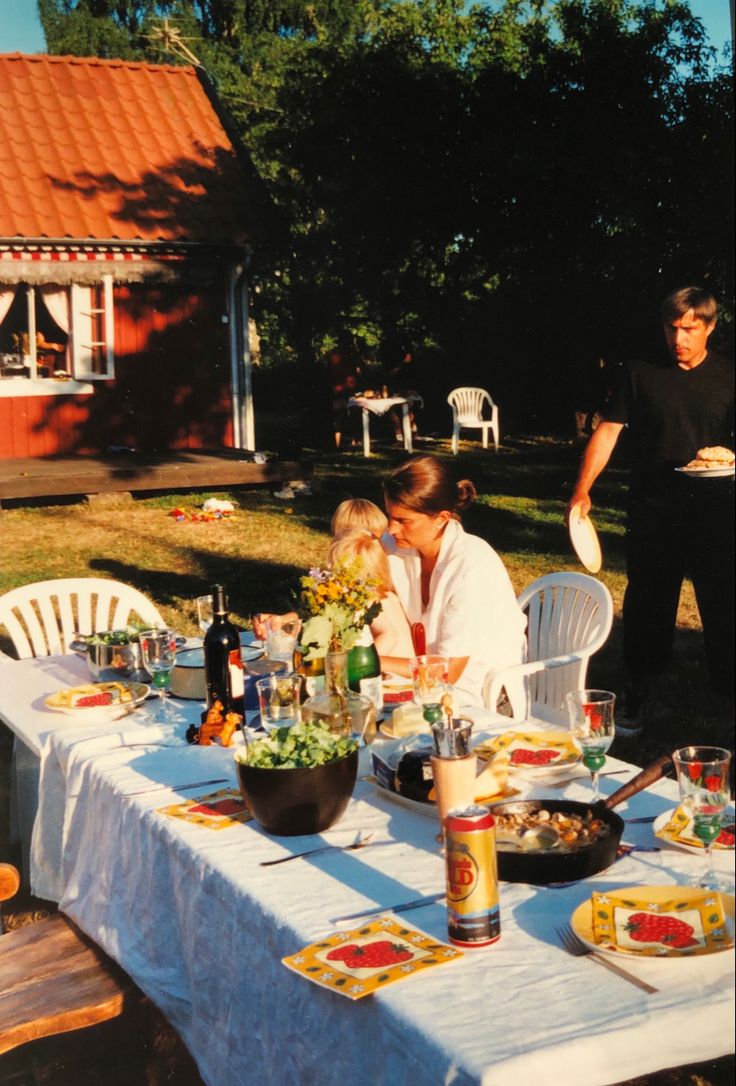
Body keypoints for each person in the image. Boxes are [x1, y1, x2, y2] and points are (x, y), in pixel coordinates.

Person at [567, 286, 735, 736]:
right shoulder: (640, 373)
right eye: (671, 328)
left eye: (689, 329)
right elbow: (607, 432)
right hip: (655, 512)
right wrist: (582, 490)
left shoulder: (728, 376)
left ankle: (727, 692)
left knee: (724, 606)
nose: (678, 338)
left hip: (718, 513)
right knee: (647, 607)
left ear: (710, 327)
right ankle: (636, 694)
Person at [380, 454, 526, 707]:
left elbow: (449, 672)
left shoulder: (471, 565)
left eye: (404, 521)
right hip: (424, 687)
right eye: (390, 516)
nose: (391, 529)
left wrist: (369, 659)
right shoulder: (396, 545)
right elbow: (351, 584)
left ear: (441, 519)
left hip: (484, 699)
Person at [327, 530, 414, 658]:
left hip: (394, 673)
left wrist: (363, 662)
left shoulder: (369, 598)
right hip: (404, 668)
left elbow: (390, 635)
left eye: (335, 569)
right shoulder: (388, 595)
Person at [327, 342, 361, 449]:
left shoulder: (345, 369)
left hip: (346, 397)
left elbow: (352, 383)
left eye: (336, 357)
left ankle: (355, 439)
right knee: (336, 414)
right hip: (333, 398)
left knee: (351, 411)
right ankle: (336, 443)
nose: (334, 359)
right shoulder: (328, 370)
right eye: (332, 357)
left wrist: (341, 387)